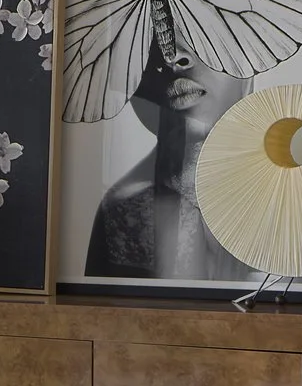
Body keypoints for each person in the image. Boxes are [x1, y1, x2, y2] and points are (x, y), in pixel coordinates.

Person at [84, 44, 252, 281]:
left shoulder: (295, 201)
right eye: (147, 38)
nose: (174, 57)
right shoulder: (123, 211)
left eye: (199, 29)